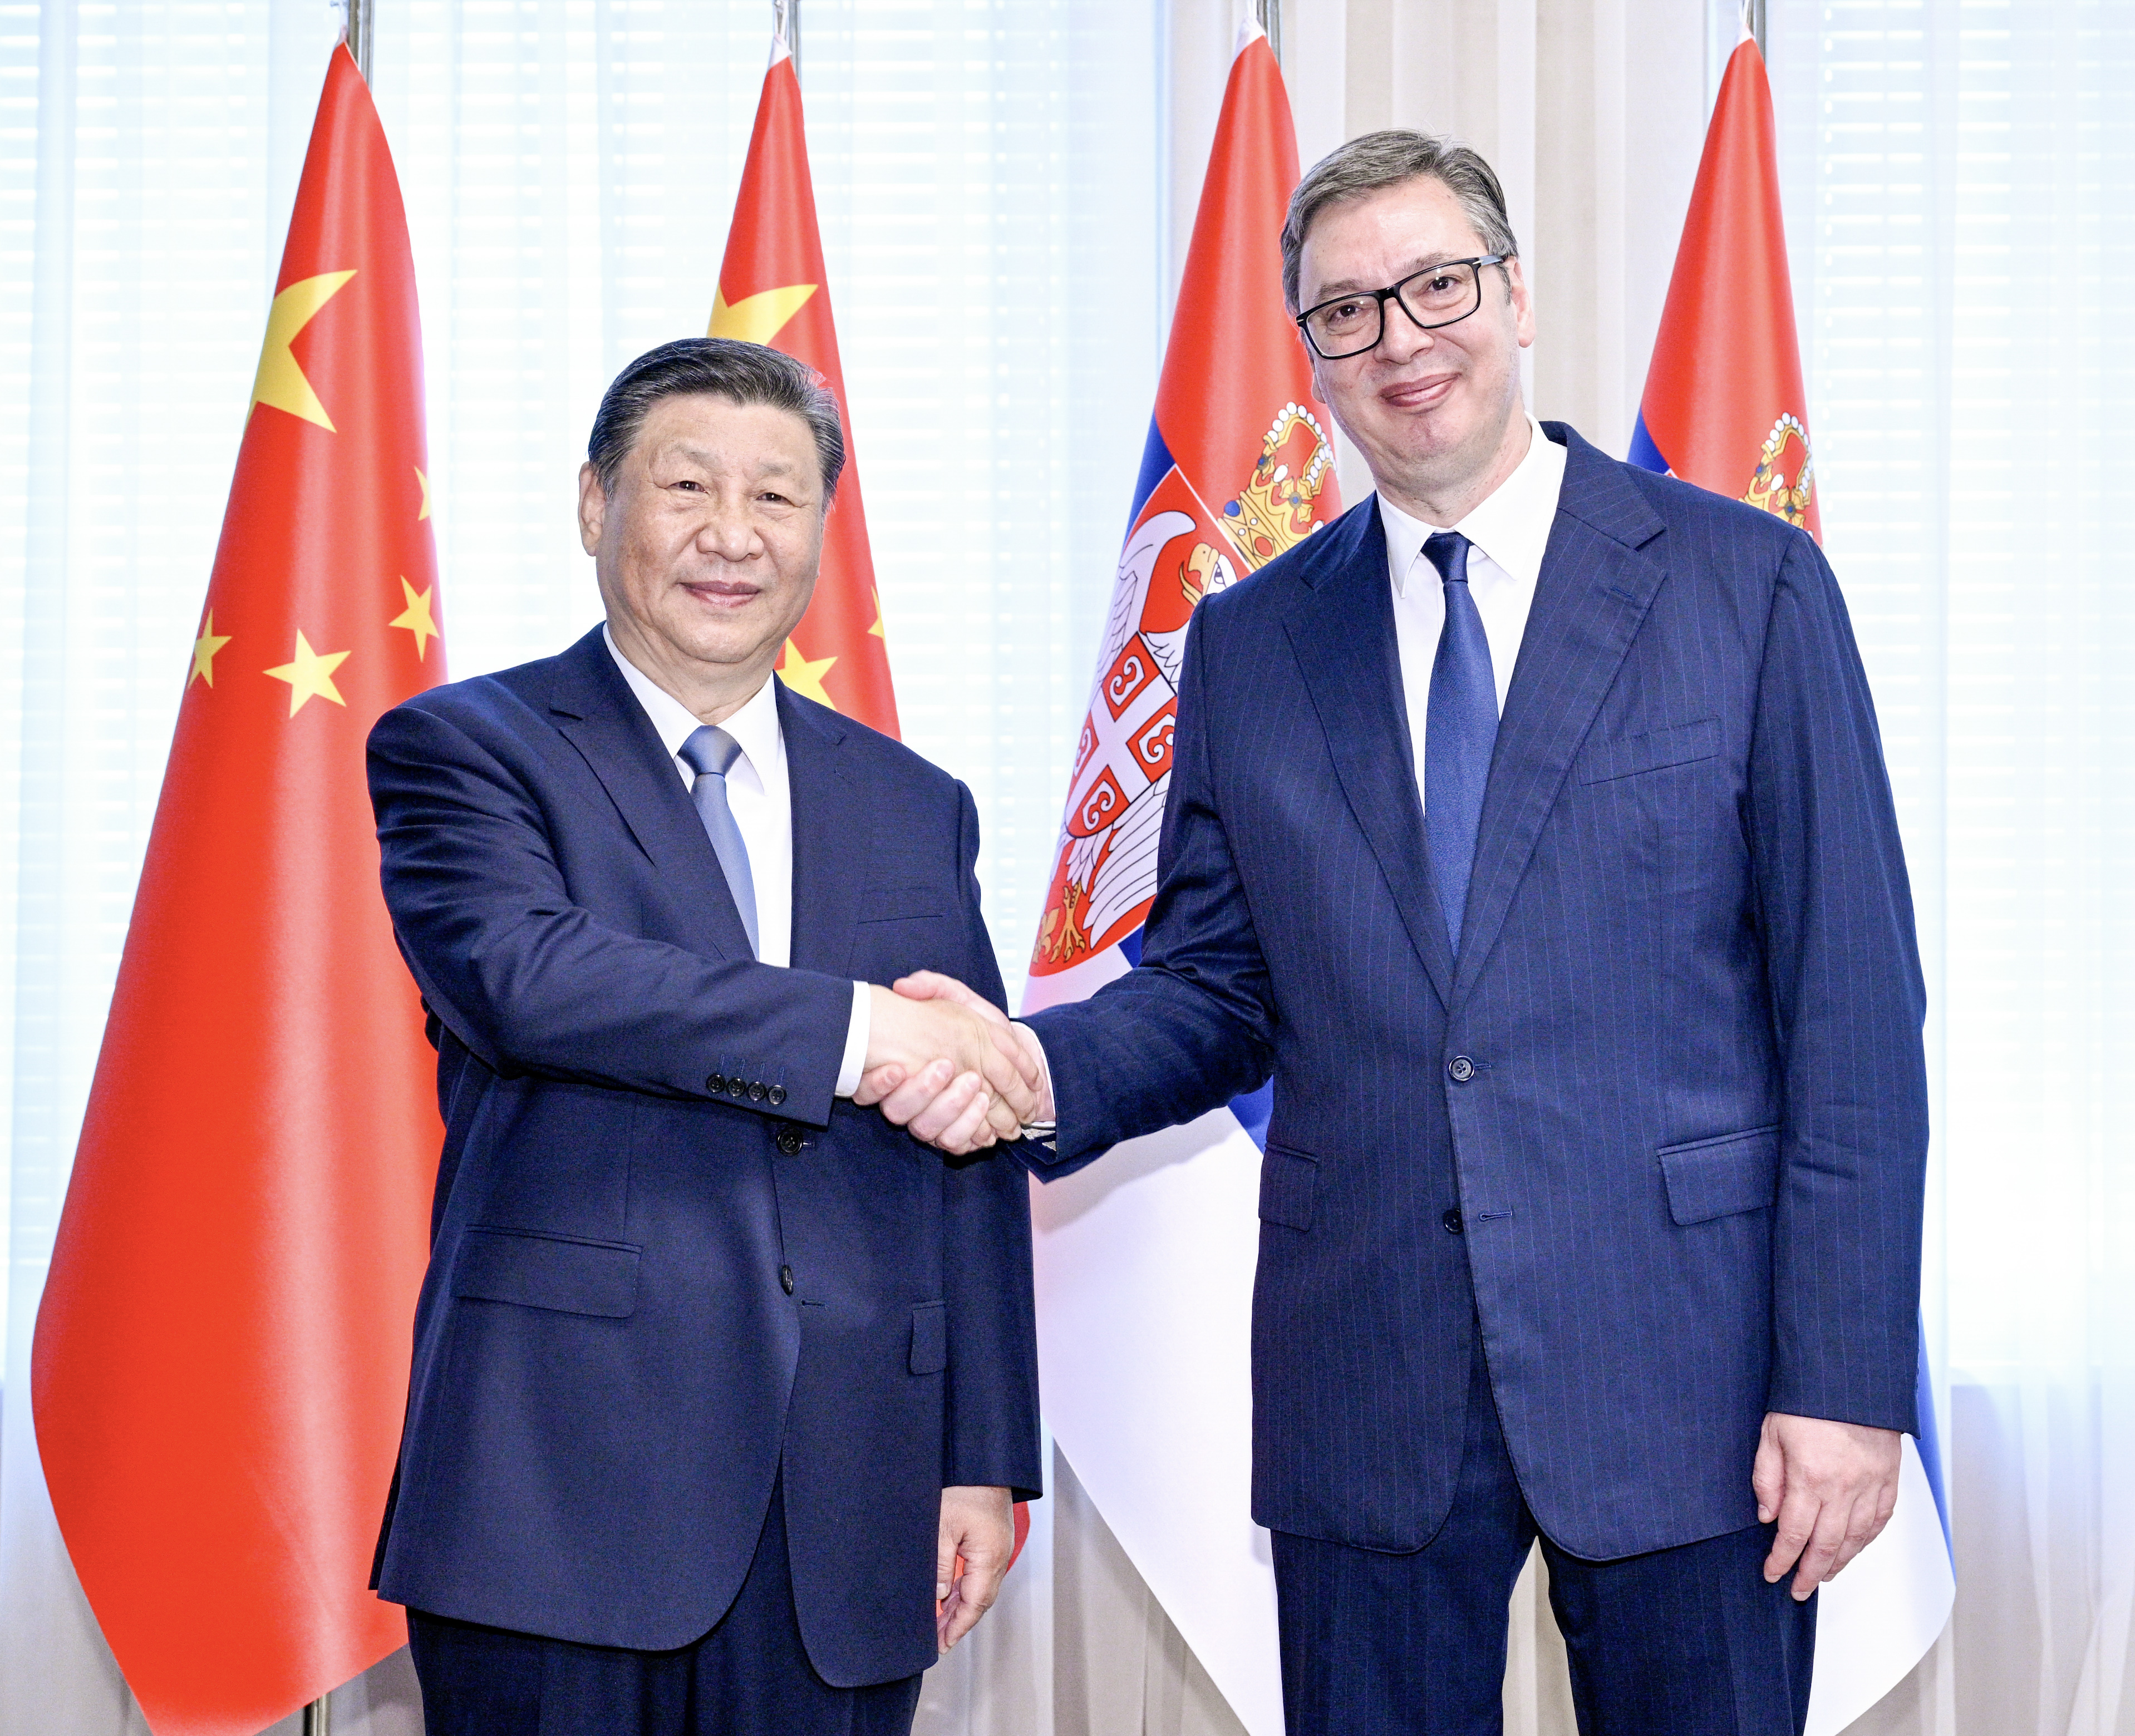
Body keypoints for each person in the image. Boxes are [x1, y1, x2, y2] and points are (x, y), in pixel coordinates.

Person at [875, 132, 1929, 1735]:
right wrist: (1027, 1064)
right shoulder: (1248, 640)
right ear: (1310, 357)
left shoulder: (1746, 586)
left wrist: (1842, 1384)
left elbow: (1850, 1012)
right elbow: (1218, 989)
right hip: (1366, 1370)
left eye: (1436, 286)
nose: (1398, 340)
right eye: (1345, 311)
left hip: (1689, 1374)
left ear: (1515, 298)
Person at [365, 337, 1044, 1736]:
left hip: (850, 1500)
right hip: (556, 1488)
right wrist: (854, 1031)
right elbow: (527, 979)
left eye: (776, 497)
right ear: (595, 503)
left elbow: (967, 1143)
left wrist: (981, 1453)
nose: (731, 535)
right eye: (686, 486)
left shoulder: (917, 803)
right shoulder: (467, 748)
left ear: (819, 529)